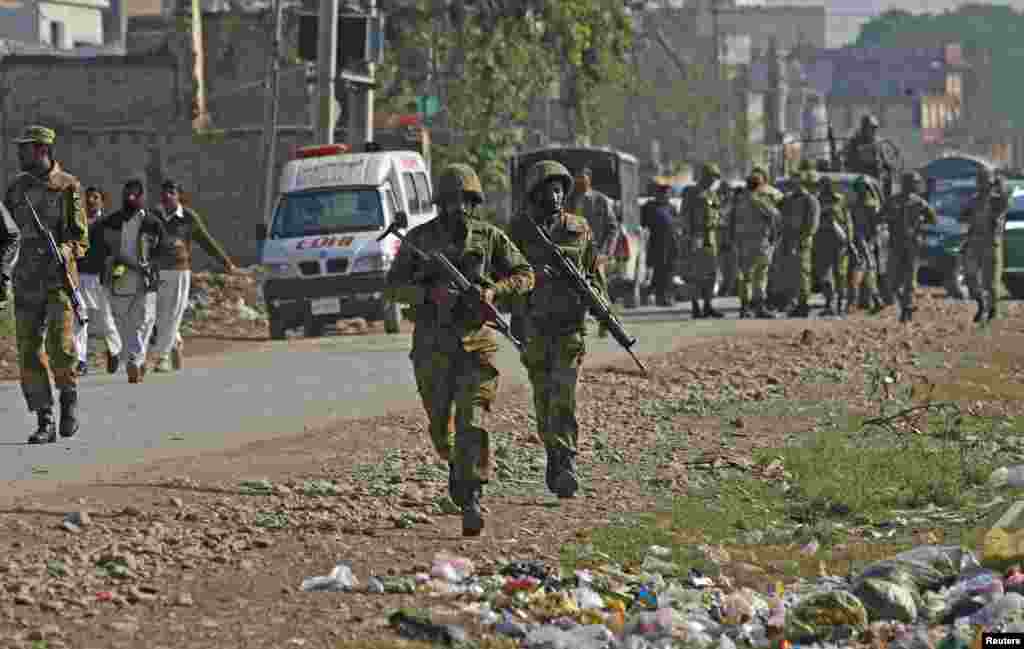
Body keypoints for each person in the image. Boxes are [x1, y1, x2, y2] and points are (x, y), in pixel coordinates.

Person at [385, 163, 533, 537]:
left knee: (473, 422)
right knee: (442, 429)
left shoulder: (490, 238)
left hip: (475, 342)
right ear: (440, 203)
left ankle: (472, 498)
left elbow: (525, 274)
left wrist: (493, 292)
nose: (458, 209)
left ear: (474, 201)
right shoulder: (419, 240)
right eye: (450, 201)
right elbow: (392, 287)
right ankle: (458, 469)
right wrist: (428, 294)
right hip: (432, 345)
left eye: (465, 201)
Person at [508, 160, 608, 502]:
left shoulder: (579, 228)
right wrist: (538, 276)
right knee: (544, 399)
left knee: (565, 396)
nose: (555, 194)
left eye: (559, 188)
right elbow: (506, 278)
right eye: (548, 188)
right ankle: (553, 455)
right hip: (534, 328)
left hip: (570, 329)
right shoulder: (519, 232)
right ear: (535, 192)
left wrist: (603, 308)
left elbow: (594, 272)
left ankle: (567, 462)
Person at [1, 125, 89, 443]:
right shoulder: (15, 189)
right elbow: (5, 234)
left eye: (24, 149)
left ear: (42, 150)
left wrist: (64, 250)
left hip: (58, 282)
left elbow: (81, 239)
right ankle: (45, 418)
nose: (19, 154)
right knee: (28, 351)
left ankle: (68, 395)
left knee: (60, 347)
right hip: (25, 282)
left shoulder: (68, 187)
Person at [151, 180, 237, 373]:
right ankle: (176, 341)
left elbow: (206, 241)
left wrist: (225, 262)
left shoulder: (188, 217)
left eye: (172, 192)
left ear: (179, 195)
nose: (167, 196)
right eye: (164, 193)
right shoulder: (153, 217)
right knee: (159, 316)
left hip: (180, 271)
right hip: (158, 272)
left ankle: (162, 358)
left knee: (173, 314)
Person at [99, 179, 162, 383]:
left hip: (146, 279)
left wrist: (151, 267)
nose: (131, 197)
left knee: (144, 321)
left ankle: (135, 360)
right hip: (121, 277)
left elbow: (161, 252)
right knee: (124, 322)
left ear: (142, 197)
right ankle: (136, 359)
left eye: (135, 194)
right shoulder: (112, 222)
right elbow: (106, 250)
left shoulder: (152, 223)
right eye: (128, 194)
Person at [72, 187, 122, 376]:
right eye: (88, 197)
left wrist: (115, 273)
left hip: (100, 278)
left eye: (95, 197)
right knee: (79, 320)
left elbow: (115, 251)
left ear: (102, 201)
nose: (91, 200)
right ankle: (81, 360)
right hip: (78, 277)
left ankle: (114, 351)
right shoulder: (77, 223)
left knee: (105, 320)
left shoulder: (106, 224)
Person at [882, 171, 936, 323]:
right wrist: (889, 219)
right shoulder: (892, 201)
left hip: (913, 246)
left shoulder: (920, 203)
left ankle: (907, 309)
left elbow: (933, 220)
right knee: (892, 282)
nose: (912, 186)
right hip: (896, 245)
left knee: (910, 281)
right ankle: (905, 305)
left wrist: (920, 222)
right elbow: (879, 217)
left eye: (913, 183)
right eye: (910, 183)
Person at [731, 166, 783, 319]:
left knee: (745, 275)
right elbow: (776, 215)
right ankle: (759, 307)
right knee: (760, 275)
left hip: (742, 243)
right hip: (760, 243)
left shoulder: (738, 201)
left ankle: (744, 308)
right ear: (760, 185)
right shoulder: (760, 200)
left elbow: (729, 221)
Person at [962, 167, 1010, 322]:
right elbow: (963, 215)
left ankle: (993, 310)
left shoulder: (997, 199)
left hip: (991, 245)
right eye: (979, 182)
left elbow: (1005, 199)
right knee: (970, 279)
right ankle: (981, 304)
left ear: (990, 183)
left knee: (991, 283)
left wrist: (999, 183)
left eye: (984, 181)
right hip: (974, 244)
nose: (980, 185)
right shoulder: (974, 200)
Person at [683, 163, 725, 319]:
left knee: (711, 274)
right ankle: (695, 306)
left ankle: (708, 305)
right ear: (704, 176)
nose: (713, 181)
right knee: (695, 274)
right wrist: (690, 236)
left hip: (712, 237)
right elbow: (685, 216)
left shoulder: (712, 195)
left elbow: (718, 215)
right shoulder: (692, 192)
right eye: (711, 177)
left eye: (714, 178)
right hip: (697, 236)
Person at [779, 170, 821, 318]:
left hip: (802, 242)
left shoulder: (810, 200)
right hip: (789, 240)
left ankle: (803, 304)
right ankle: (794, 303)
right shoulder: (789, 199)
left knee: (802, 273)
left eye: (796, 182)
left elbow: (813, 225)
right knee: (791, 273)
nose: (793, 184)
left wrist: (801, 239)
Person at [814, 176, 853, 317]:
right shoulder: (816, 200)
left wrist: (849, 240)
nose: (824, 188)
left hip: (838, 241)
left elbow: (848, 220)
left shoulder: (840, 199)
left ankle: (840, 305)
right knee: (824, 274)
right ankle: (829, 303)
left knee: (840, 273)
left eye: (826, 185)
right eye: (821, 186)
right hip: (822, 240)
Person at [847, 176, 885, 314]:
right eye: (858, 187)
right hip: (857, 241)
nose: (860, 190)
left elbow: (875, 228)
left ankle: (854, 303)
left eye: (862, 187)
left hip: (867, 243)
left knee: (859, 272)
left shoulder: (871, 205)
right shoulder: (856, 204)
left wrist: (868, 245)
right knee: (866, 272)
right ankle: (875, 300)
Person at [641, 182, 679, 307]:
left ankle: (667, 296)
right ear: (657, 194)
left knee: (670, 271)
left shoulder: (671, 207)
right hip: (656, 243)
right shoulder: (649, 206)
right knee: (659, 271)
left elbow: (676, 225)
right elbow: (643, 224)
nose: (665, 195)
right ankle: (659, 297)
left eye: (667, 193)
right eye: (662, 193)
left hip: (671, 243)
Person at [570, 167, 617, 254]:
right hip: (574, 251)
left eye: (582, 177)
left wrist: (606, 250)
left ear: (589, 179)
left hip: (596, 252)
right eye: (576, 178)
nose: (579, 180)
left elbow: (612, 227)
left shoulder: (601, 200)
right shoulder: (568, 200)